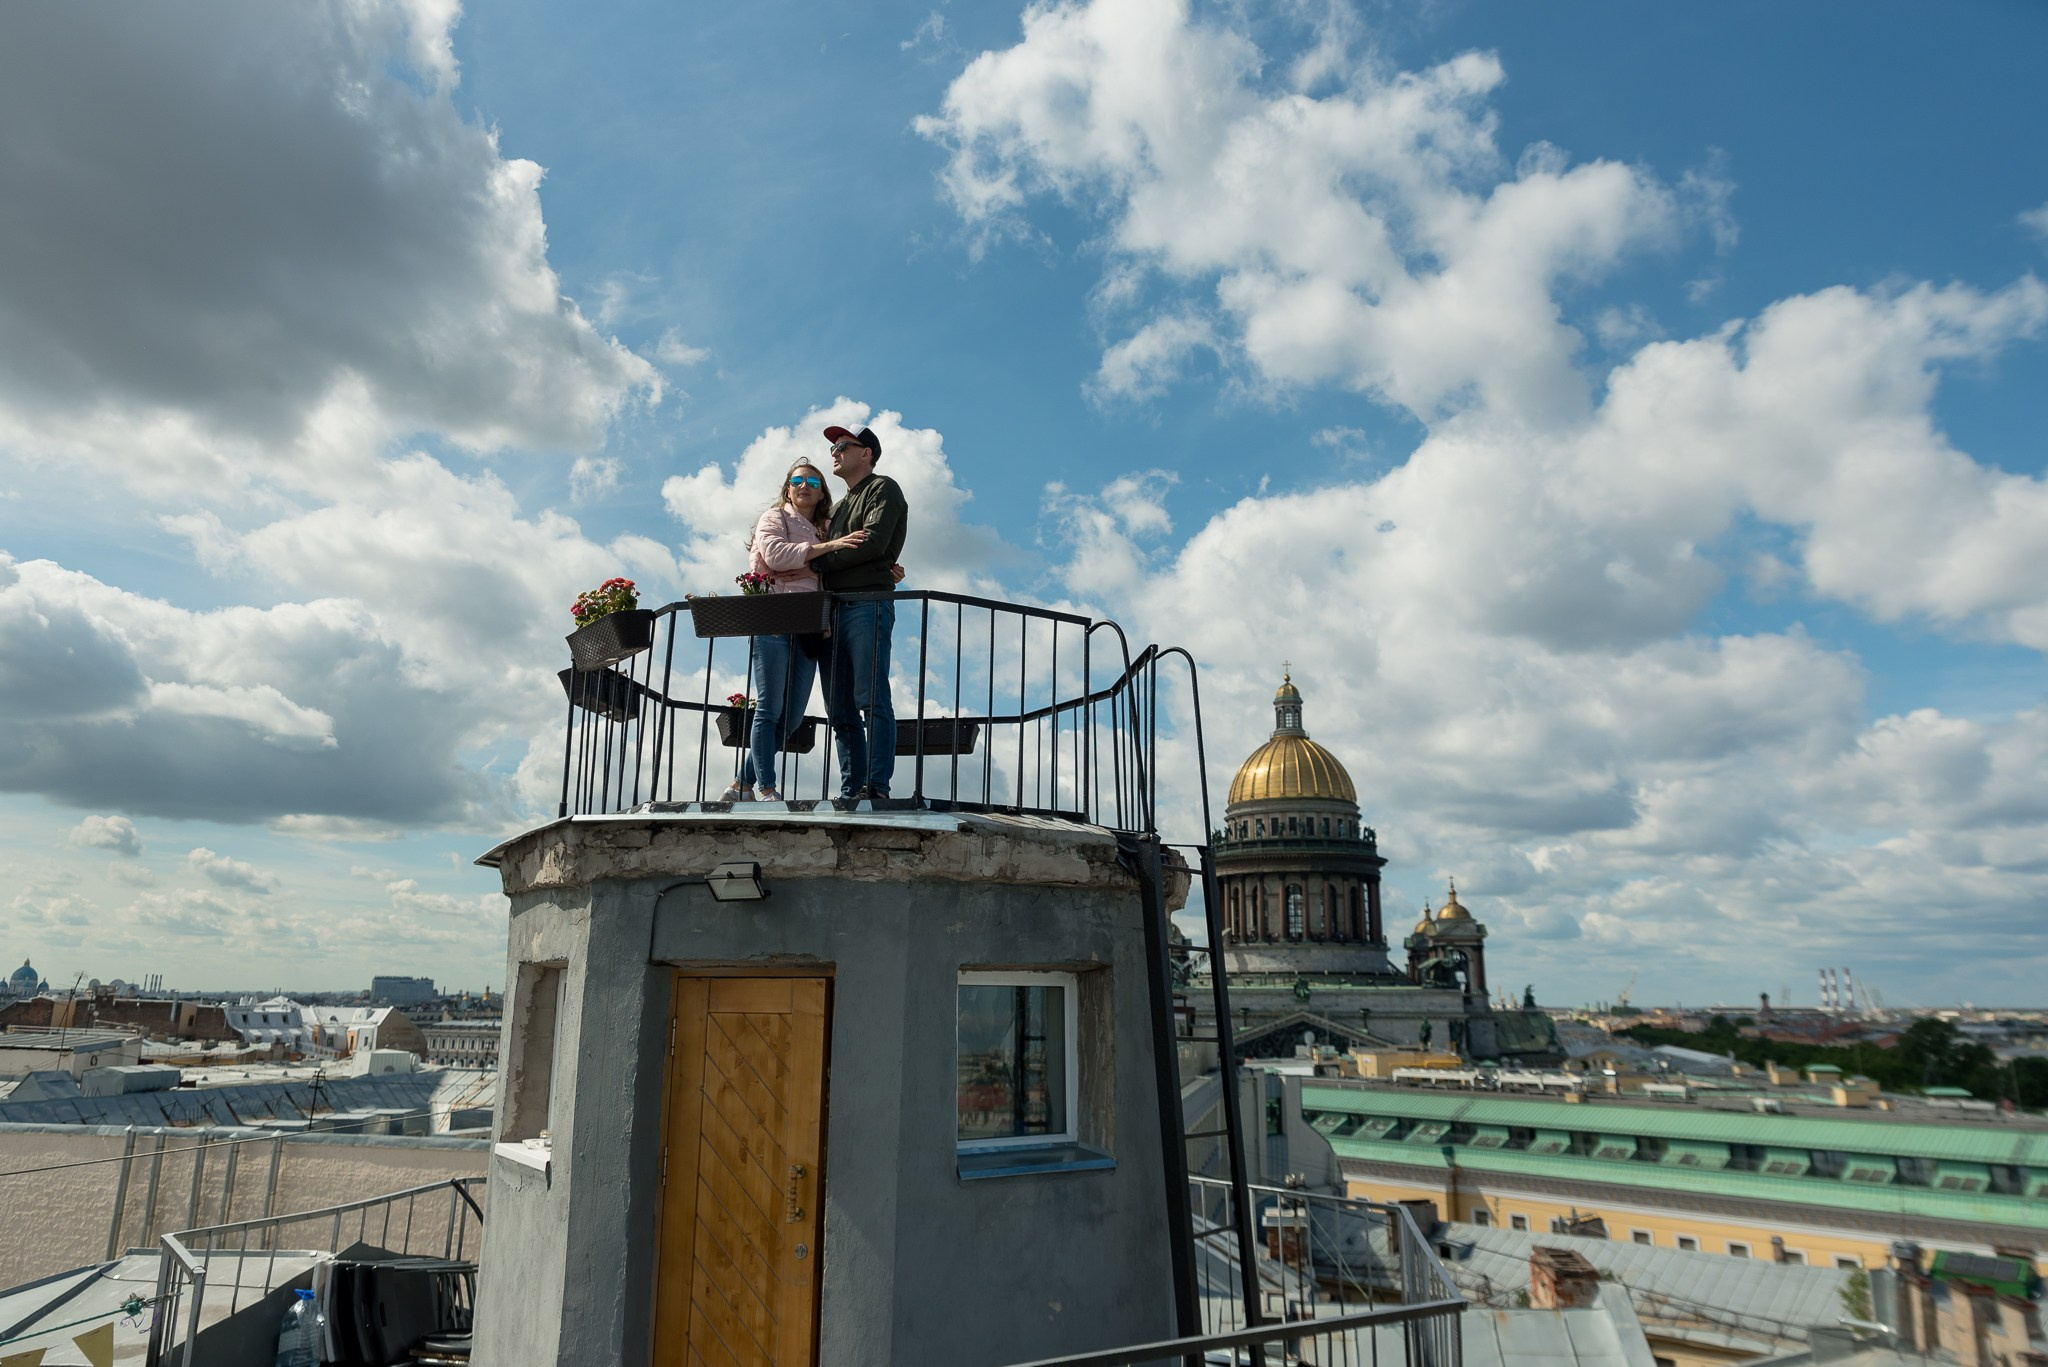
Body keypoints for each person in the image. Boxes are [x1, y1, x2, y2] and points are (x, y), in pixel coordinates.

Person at [720, 461, 868, 802]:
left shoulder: (827, 528)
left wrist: (886, 568)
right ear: (788, 488)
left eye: (812, 480)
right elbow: (775, 556)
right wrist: (825, 551)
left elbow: (845, 559)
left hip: (811, 623)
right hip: (773, 617)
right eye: (797, 480)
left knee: (790, 719)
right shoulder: (775, 518)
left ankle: (740, 785)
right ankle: (766, 788)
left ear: (821, 491)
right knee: (770, 707)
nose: (805, 485)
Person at [811, 424, 908, 801]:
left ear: (865, 453)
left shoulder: (883, 488)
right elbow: (841, 550)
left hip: (867, 604)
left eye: (842, 446)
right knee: (839, 710)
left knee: (871, 699)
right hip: (831, 612)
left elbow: (871, 543)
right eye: (833, 448)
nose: (834, 452)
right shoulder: (836, 509)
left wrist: (819, 564)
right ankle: (852, 789)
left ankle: (876, 786)